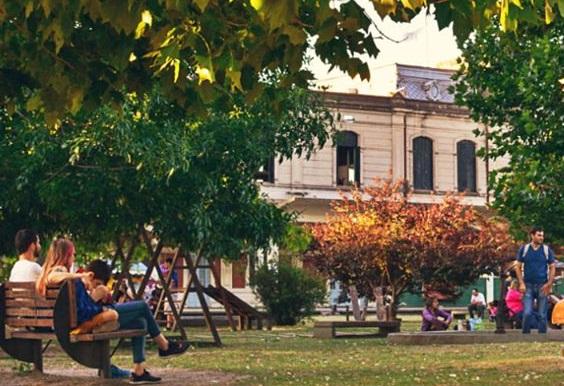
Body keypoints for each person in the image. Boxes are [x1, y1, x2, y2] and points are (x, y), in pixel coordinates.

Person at [36, 238, 189, 384]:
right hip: (92, 317)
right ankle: (165, 346)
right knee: (142, 306)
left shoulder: (59, 275)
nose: (74, 258)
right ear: (66, 255)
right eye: (73, 254)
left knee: (141, 322)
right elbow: (52, 277)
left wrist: (96, 294)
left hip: (86, 315)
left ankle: (139, 371)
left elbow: (79, 302)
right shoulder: (59, 271)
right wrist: (82, 276)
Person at [514, 227, 556, 334]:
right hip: (528, 285)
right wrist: (521, 283)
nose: (542, 237)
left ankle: (542, 338)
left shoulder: (547, 250)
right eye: (539, 235)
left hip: (543, 285)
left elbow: (552, 266)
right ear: (532, 236)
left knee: (542, 314)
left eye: (542, 235)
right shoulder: (524, 249)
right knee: (527, 313)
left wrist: (549, 283)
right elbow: (517, 266)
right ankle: (526, 336)